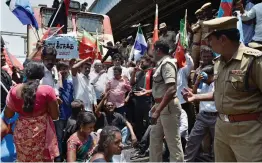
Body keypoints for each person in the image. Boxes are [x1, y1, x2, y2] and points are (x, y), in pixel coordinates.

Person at [183, 16, 262, 162]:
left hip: (248, 131)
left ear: (223, 39)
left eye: (210, 39)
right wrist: (196, 97)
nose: (207, 43)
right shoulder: (218, 63)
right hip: (221, 127)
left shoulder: (253, 60)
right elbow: (220, 92)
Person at [3, 61, 59, 162]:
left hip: (22, 134)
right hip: (42, 134)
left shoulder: (15, 90)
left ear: (26, 74)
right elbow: (55, 116)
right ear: (42, 75)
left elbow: (8, 114)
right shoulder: (48, 91)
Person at [149, 40, 184, 162]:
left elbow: (171, 89)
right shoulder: (161, 64)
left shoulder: (167, 64)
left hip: (167, 107)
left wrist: (157, 110)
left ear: (158, 50)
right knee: (154, 139)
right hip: (160, 106)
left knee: (173, 142)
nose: (152, 52)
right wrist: (156, 107)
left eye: (153, 49)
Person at [184, 65, 216, 162]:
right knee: (193, 140)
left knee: (217, 143)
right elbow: (194, 94)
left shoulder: (217, 84)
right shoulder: (204, 84)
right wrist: (197, 82)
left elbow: (213, 96)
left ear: (211, 76)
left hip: (215, 116)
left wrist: (195, 97)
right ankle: (187, 160)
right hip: (203, 116)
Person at [130, 55, 154, 140]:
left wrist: (147, 91)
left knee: (148, 121)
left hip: (147, 100)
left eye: (143, 62)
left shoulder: (153, 72)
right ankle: (140, 141)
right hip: (138, 100)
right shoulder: (140, 73)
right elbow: (132, 83)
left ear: (149, 62)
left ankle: (148, 142)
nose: (141, 64)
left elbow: (156, 88)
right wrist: (134, 72)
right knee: (138, 121)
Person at [54, 61, 74, 161]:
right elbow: (59, 88)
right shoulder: (55, 82)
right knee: (59, 136)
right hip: (60, 115)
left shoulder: (70, 82)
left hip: (69, 114)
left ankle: (68, 155)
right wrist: (59, 77)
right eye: (62, 69)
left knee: (68, 136)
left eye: (66, 69)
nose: (64, 71)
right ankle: (59, 157)